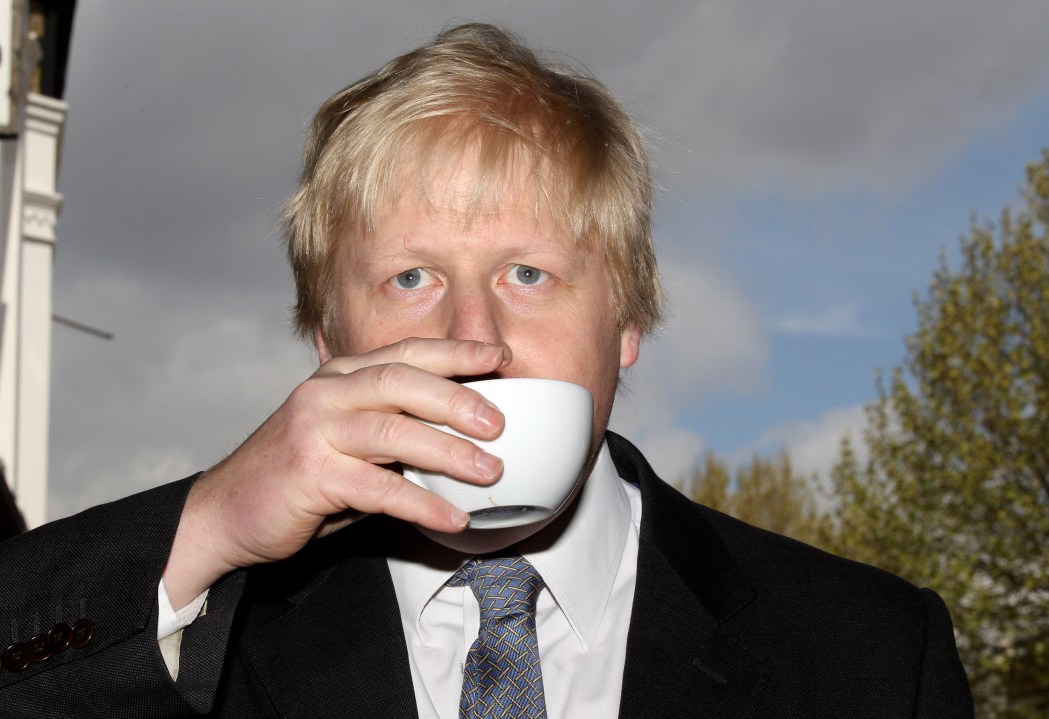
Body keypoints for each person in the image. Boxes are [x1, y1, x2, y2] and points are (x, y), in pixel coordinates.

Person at [0, 22, 972, 718]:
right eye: (410, 277)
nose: (476, 339)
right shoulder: (206, 628)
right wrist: (206, 523)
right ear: (329, 344)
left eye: (528, 273)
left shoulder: (872, 653)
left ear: (627, 319)